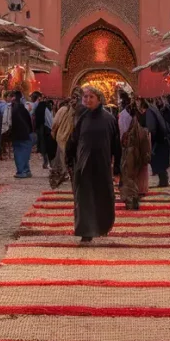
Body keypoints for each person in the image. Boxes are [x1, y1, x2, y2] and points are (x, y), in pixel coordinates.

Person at [65, 86, 118, 242]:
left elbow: (116, 145)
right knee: (83, 198)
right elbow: (73, 139)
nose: (87, 100)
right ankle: (86, 231)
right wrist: (69, 159)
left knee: (102, 197)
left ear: (99, 99)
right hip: (83, 165)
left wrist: (118, 168)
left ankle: (102, 226)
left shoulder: (109, 119)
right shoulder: (81, 117)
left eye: (91, 97)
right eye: (85, 97)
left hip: (102, 165)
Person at [120, 102, 151, 210]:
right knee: (132, 178)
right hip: (135, 154)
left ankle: (131, 201)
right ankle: (132, 200)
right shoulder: (138, 126)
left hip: (131, 154)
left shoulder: (133, 125)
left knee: (129, 178)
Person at [141, 98, 170, 187]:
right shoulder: (153, 109)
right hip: (161, 140)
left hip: (157, 141)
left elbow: (151, 128)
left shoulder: (150, 111)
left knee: (158, 163)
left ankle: (163, 181)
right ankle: (163, 180)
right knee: (160, 164)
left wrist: (147, 135)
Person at [10, 91, 34, 178]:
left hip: (19, 134)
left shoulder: (14, 109)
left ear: (13, 97)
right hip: (27, 134)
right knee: (25, 153)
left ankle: (21, 172)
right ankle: (26, 170)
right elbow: (29, 121)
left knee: (19, 153)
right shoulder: (23, 108)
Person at [33, 92, 55, 171]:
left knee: (43, 147)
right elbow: (49, 120)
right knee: (48, 146)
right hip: (46, 129)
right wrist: (52, 128)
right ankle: (50, 162)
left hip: (39, 129)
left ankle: (45, 161)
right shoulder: (45, 108)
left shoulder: (38, 107)